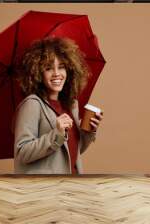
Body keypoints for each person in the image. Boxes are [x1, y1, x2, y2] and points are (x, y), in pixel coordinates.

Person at [13, 37, 103, 174]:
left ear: (69, 70)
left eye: (61, 67)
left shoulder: (71, 104)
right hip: (47, 190)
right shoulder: (32, 104)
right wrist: (57, 133)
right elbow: (22, 153)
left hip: (72, 187)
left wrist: (88, 132)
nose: (56, 74)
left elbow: (73, 152)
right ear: (38, 73)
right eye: (48, 68)